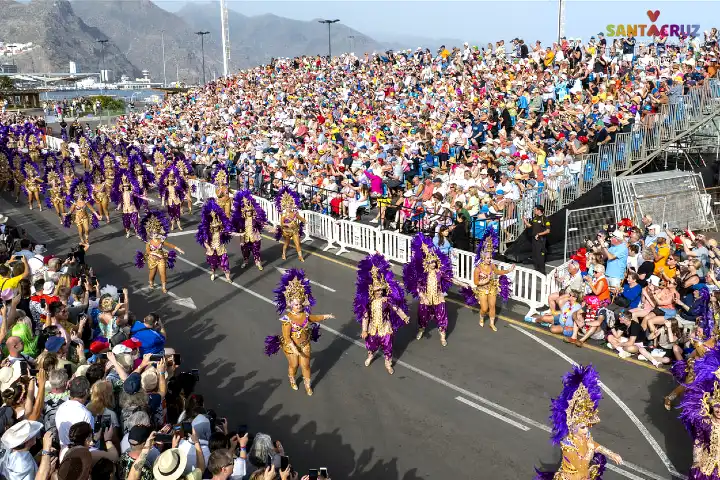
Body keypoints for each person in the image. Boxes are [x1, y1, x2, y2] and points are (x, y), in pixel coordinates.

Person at [534, 364, 622, 479]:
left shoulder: (585, 435)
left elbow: (593, 445)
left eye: (586, 426)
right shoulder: (568, 445)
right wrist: (590, 450)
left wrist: (611, 454)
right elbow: (581, 465)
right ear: (573, 427)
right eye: (583, 427)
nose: (586, 430)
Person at [264, 269, 334, 396]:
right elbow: (286, 337)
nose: (299, 306)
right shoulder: (287, 319)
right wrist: (294, 349)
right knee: (294, 365)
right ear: (290, 304)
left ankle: (308, 385)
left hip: (305, 345)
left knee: (306, 366)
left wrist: (326, 316)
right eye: (296, 304)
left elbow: (314, 318)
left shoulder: (305, 315)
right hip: (291, 347)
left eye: (300, 304)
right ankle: (292, 379)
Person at [353, 253, 409, 375]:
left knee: (388, 345)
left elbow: (396, 308)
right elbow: (365, 317)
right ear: (372, 291)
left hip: (385, 326)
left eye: (380, 290)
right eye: (376, 290)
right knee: (371, 344)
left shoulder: (386, 300)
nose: (378, 292)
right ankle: (371, 355)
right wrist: (364, 330)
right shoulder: (368, 302)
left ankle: (388, 362)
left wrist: (404, 317)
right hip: (373, 327)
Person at [403, 233, 453, 346]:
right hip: (425, 297)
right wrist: (423, 296)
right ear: (427, 263)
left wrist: (463, 284)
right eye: (431, 263)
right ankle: (421, 329)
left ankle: (443, 335)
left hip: (438, 297)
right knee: (422, 315)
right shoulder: (423, 274)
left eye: (434, 262)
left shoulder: (439, 272)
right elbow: (418, 286)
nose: (433, 264)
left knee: (442, 316)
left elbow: (449, 279)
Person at [679, 347, 720, 480]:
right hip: (707, 469)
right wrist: (696, 462)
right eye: (717, 406)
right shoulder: (705, 423)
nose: (719, 410)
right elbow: (699, 442)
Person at [461, 227, 514, 331]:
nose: (490, 260)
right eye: (488, 258)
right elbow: (476, 282)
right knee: (484, 308)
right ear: (483, 258)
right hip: (481, 289)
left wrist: (508, 270)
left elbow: (498, 272)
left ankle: (491, 323)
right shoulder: (478, 268)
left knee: (492, 306)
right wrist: (484, 281)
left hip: (492, 288)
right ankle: (481, 317)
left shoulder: (492, 265)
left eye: (490, 258)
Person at [134, 210, 185, 294]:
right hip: (152, 260)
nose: (155, 234)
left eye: (156, 232)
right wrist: (154, 253)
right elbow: (148, 251)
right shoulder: (149, 243)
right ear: (150, 233)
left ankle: (164, 287)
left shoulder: (161, 241)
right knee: (152, 274)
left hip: (161, 258)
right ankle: (151, 282)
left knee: (163, 273)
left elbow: (170, 245)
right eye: (153, 233)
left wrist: (178, 249)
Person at [196, 199, 233, 283]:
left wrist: (238, 234)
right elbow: (204, 241)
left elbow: (229, 233)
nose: (216, 228)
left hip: (221, 248)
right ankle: (213, 272)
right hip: (213, 249)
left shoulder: (221, 231)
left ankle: (228, 277)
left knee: (225, 263)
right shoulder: (208, 233)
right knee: (213, 264)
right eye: (214, 227)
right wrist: (209, 248)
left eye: (217, 227)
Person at [231, 190, 267, 271]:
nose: (249, 213)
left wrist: (272, 229)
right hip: (245, 238)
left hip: (255, 236)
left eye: (250, 211)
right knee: (245, 250)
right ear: (244, 212)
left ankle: (258, 262)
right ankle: (245, 261)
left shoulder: (255, 219)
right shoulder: (241, 220)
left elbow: (263, 224)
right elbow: (235, 227)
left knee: (256, 250)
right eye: (247, 211)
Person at [55, 376, 93, 448]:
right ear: (86, 392)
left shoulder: (61, 407)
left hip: (64, 452)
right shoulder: (85, 414)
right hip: (80, 454)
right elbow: (89, 443)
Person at [62, 176, 101, 245]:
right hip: (78, 218)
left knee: (87, 229)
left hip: (85, 217)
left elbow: (91, 209)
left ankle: (86, 239)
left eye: (81, 195)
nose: (81, 196)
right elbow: (71, 210)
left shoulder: (86, 201)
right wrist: (67, 214)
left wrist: (97, 215)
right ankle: (81, 239)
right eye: (79, 195)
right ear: (77, 195)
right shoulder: (74, 202)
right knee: (80, 231)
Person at [274, 187, 306, 262]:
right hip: (287, 231)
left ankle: (300, 256)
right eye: (287, 207)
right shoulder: (283, 215)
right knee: (287, 243)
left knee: (297, 243)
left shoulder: (295, 213)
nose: (288, 208)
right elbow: (281, 224)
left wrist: (305, 221)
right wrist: (287, 225)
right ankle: (284, 254)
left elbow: (301, 218)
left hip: (294, 230)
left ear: (292, 206)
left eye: (290, 206)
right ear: (285, 206)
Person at [111, 170, 147, 239]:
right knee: (126, 223)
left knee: (135, 222)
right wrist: (118, 207)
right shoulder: (122, 194)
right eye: (124, 188)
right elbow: (120, 201)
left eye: (127, 187)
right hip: (125, 209)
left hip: (132, 208)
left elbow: (137, 195)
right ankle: (128, 232)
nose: (126, 188)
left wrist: (144, 197)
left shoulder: (132, 192)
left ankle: (138, 233)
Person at [159, 166, 188, 232]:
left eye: (171, 181)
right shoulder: (166, 188)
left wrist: (188, 197)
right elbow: (163, 195)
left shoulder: (176, 187)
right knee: (171, 215)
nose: (170, 182)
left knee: (178, 215)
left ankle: (179, 226)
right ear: (168, 181)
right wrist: (163, 202)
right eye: (169, 181)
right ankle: (172, 225)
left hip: (176, 201)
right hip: (170, 202)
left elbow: (182, 190)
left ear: (174, 181)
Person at [523, 205, 550, 273]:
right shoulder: (535, 218)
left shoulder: (544, 219)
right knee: (535, 256)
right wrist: (525, 220)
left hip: (540, 240)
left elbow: (548, 231)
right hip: (534, 240)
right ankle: (537, 271)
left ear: (539, 210)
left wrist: (539, 234)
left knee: (540, 256)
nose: (534, 211)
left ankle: (542, 272)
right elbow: (530, 226)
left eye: (535, 209)